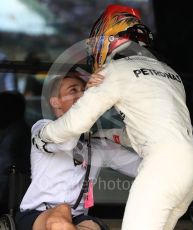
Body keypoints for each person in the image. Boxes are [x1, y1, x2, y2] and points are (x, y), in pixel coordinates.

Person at [34, 5, 193, 230]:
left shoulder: (116, 70)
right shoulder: (169, 73)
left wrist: (43, 137)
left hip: (163, 165)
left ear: (107, 39)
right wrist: (104, 134)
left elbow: (76, 123)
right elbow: (142, 131)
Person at [15, 73, 142, 230]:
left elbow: (142, 168)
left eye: (84, 91)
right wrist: (90, 100)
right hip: (37, 214)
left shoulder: (98, 145)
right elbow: (67, 142)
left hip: (77, 217)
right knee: (62, 211)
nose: (82, 95)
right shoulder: (43, 127)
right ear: (55, 102)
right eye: (73, 90)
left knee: (92, 226)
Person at [0, 91, 31, 202]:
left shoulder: (17, 137)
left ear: (7, 112)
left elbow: (9, 173)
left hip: (8, 203)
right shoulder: (8, 133)